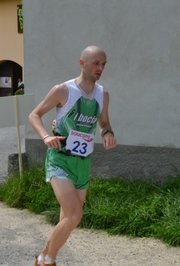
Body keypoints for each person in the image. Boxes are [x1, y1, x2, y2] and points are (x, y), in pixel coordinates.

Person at [28, 45, 117, 266]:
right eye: (96, 63)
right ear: (82, 63)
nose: (100, 68)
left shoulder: (102, 94)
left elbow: (104, 122)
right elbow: (35, 115)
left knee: (67, 221)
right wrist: (46, 137)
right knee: (74, 215)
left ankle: (43, 258)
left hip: (83, 163)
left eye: (103, 64)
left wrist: (107, 133)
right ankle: (47, 261)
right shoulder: (63, 91)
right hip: (60, 159)